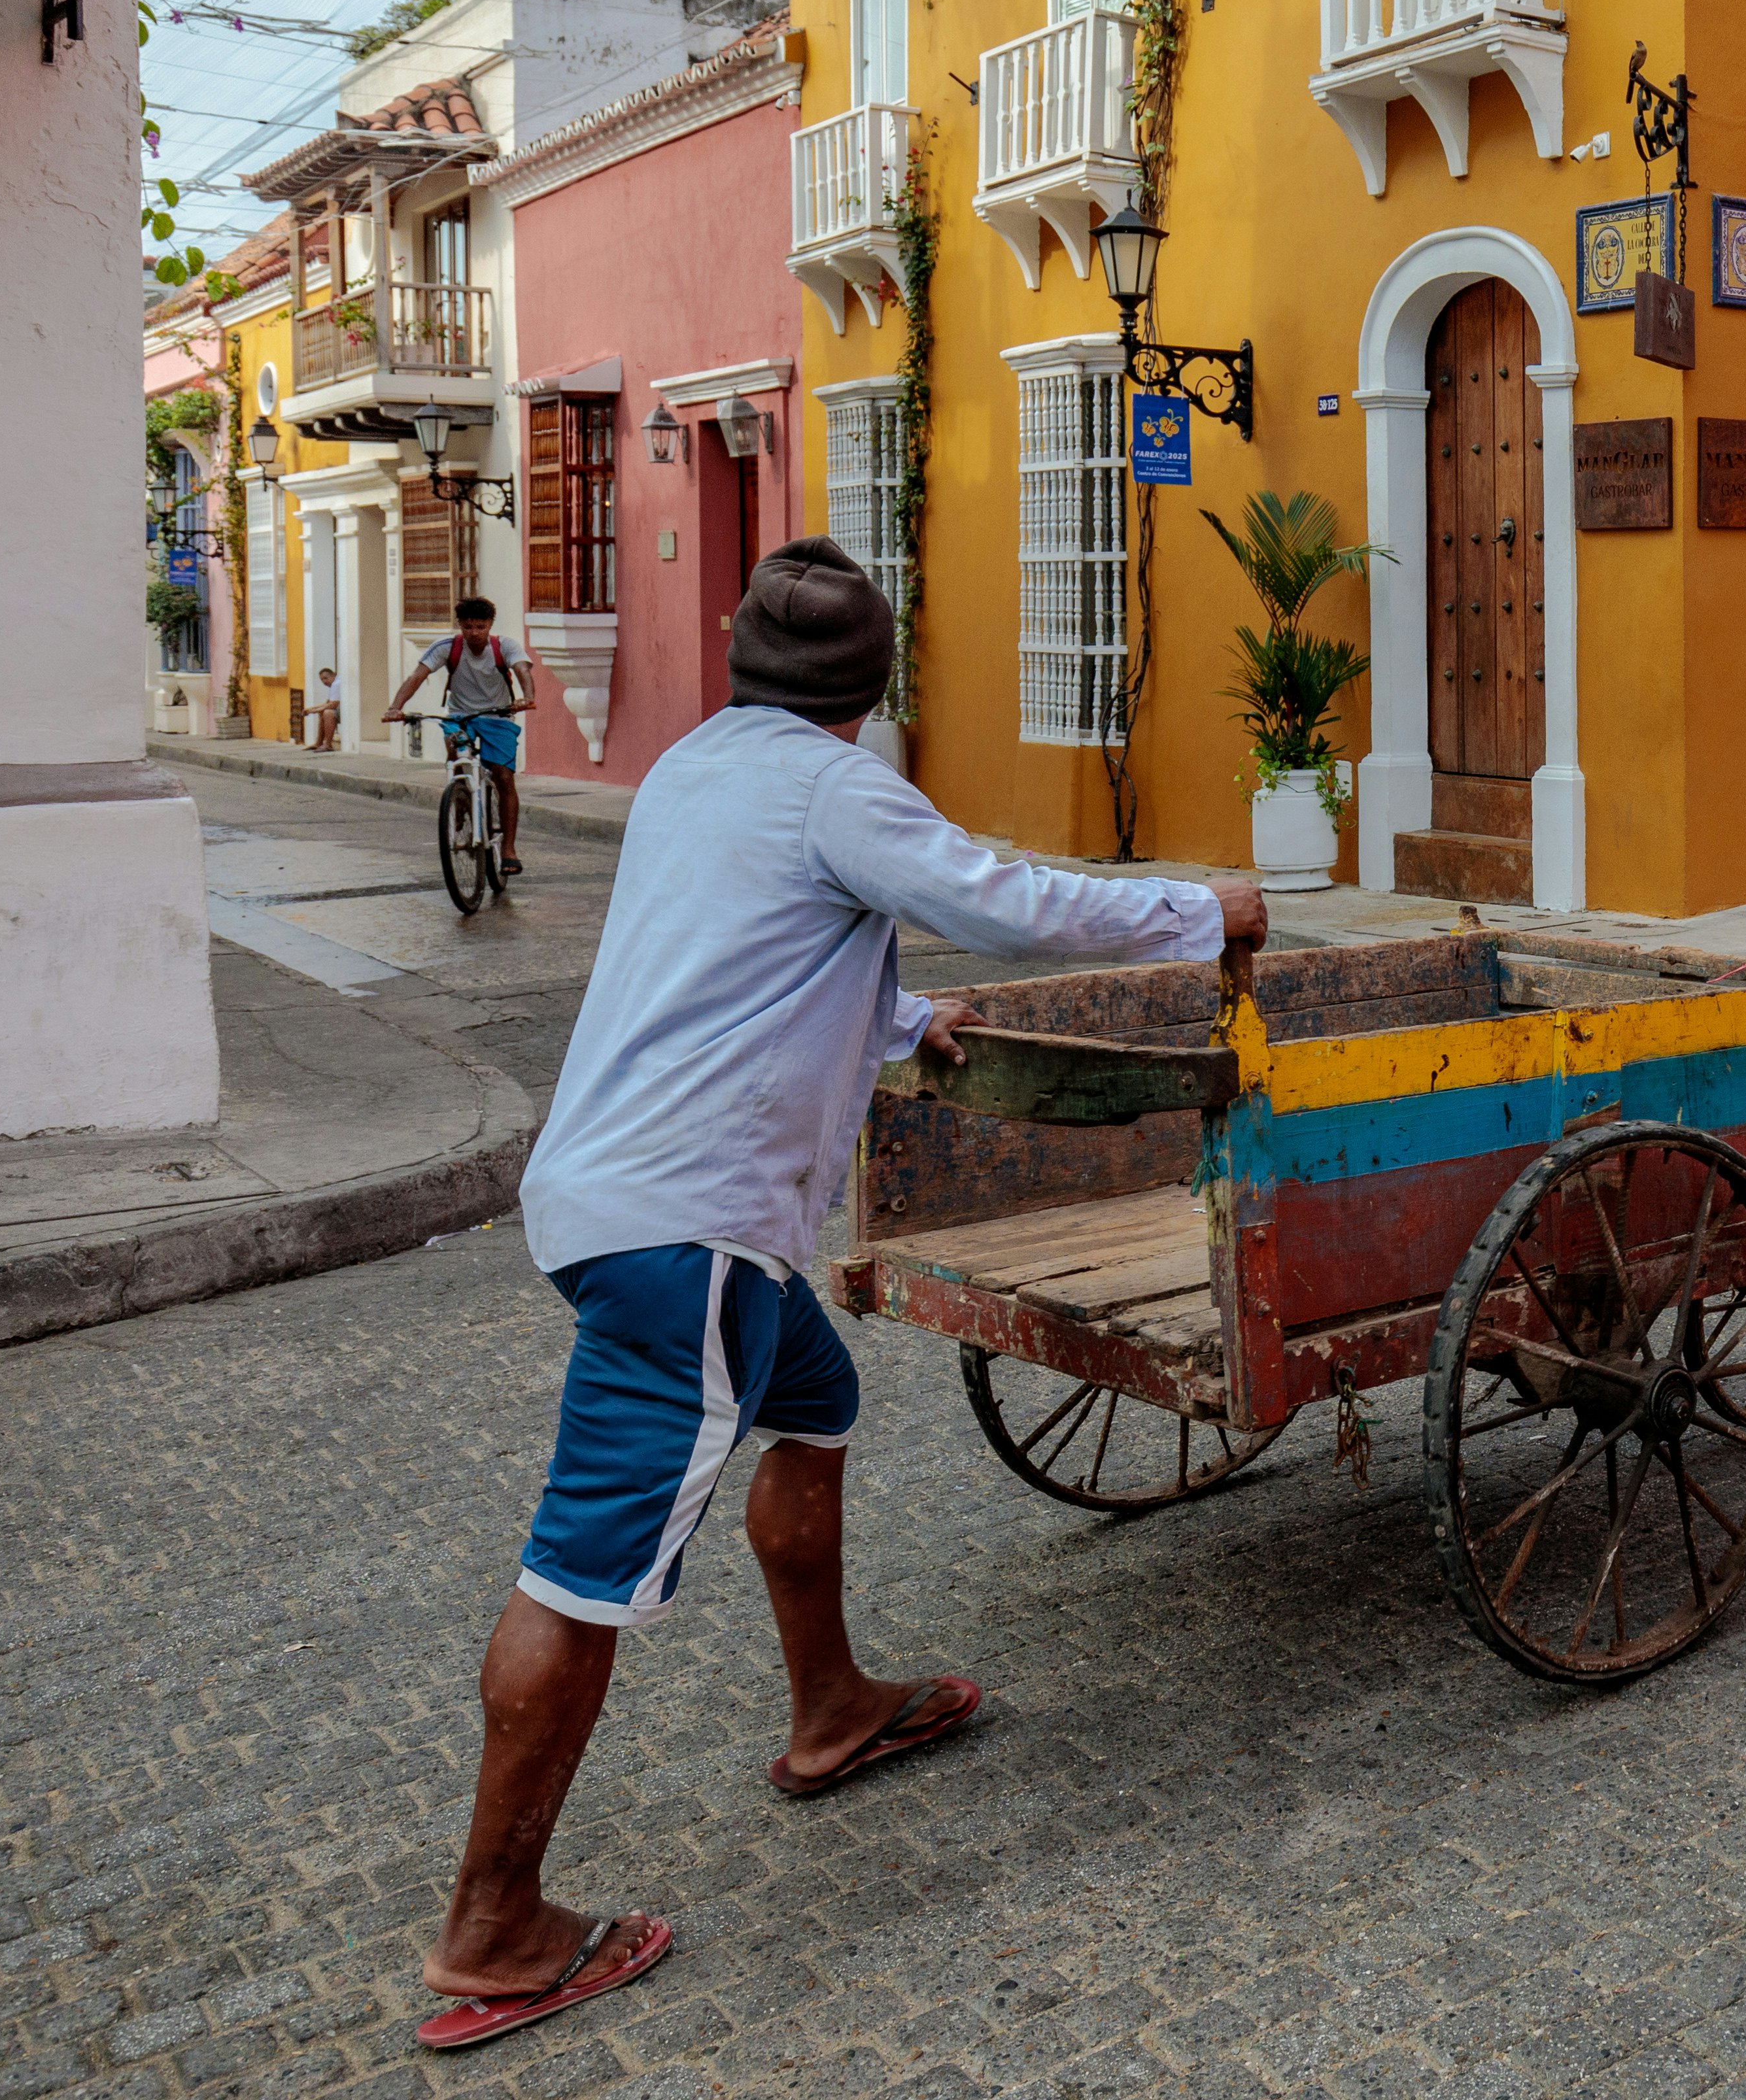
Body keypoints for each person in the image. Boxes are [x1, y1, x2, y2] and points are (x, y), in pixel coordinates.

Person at [413, 538, 1261, 2053]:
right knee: (579, 1572)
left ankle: (832, 1707)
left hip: (612, 1199)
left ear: (746, 662)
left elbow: (756, 952)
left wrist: (910, 1023)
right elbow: (1006, 901)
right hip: (694, 1234)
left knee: (815, 1400)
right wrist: (1203, 915)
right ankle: (494, 1927)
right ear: (871, 690)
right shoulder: (838, 787)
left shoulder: (694, 771)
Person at [384, 597, 540, 875]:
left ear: (490, 625)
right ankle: (461, 799)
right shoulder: (447, 648)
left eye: (481, 626)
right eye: (468, 627)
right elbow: (417, 676)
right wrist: (396, 707)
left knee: (504, 776)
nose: (474, 633)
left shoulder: (505, 647)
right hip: (460, 717)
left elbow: (523, 671)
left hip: (498, 716)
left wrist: (527, 698)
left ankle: (509, 850)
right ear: (461, 626)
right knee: (457, 756)